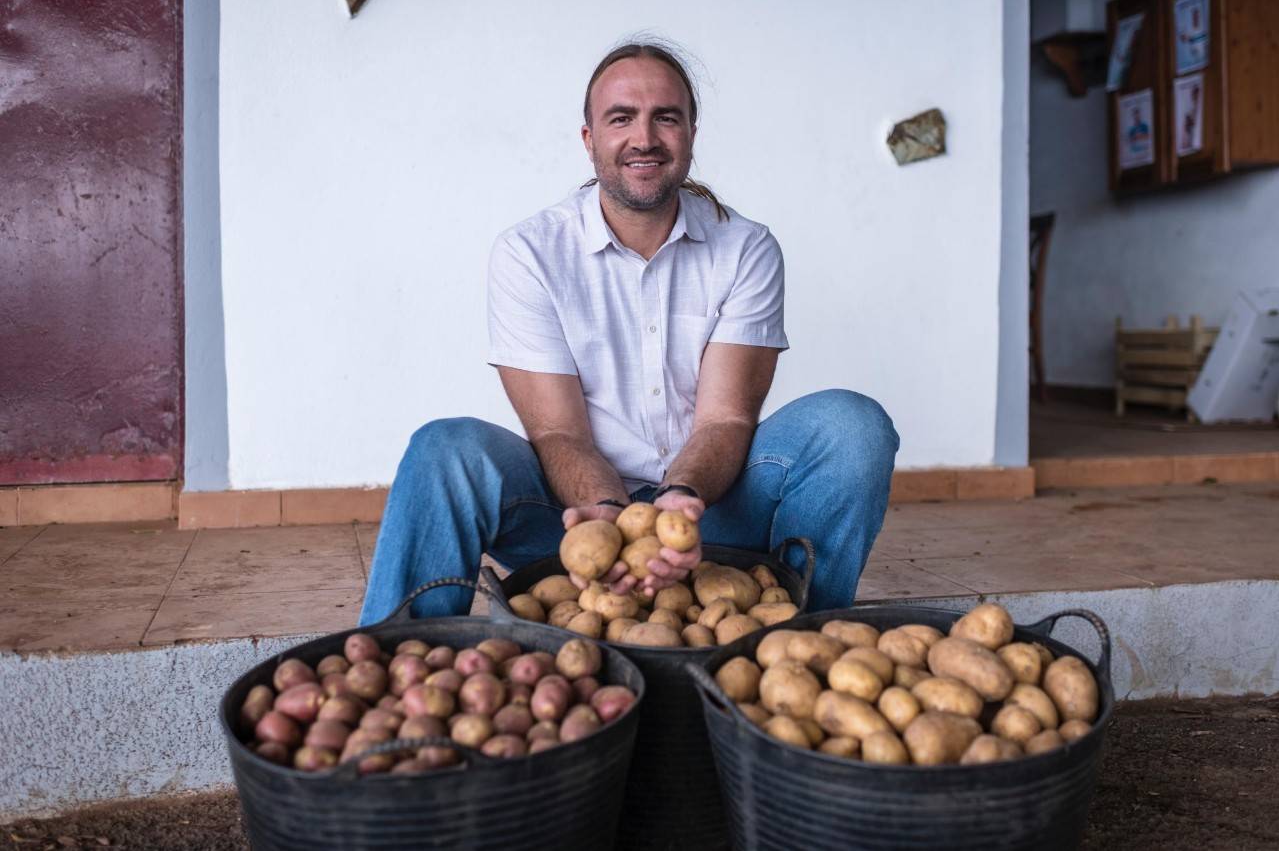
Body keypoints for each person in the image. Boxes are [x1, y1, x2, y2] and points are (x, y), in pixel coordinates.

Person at [358, 40, 898, 624]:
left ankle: (795, 636)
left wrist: (679, 503)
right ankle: (395, 656)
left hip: (710, 511)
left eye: (665, 117)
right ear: (589, 139)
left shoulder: (746, 249)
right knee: (445, 449)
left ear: (691, 133)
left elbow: (726, 420)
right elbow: (556, 431)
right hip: (573, 516)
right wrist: (609, 513)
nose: (644, 138)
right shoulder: (530, 253)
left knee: (853, 426)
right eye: (621, 118)